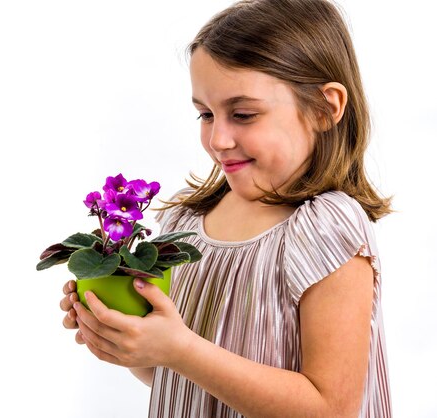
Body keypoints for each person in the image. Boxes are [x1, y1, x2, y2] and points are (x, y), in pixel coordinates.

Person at [60, 0, 392, 416]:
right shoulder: (186, 224)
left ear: (325, 108)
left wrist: (181, 350)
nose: (218, 139)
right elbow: (185, 378)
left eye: (243, 114)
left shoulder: (327, 227)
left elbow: (330, 408)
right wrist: (131, 342)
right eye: (205, 114)